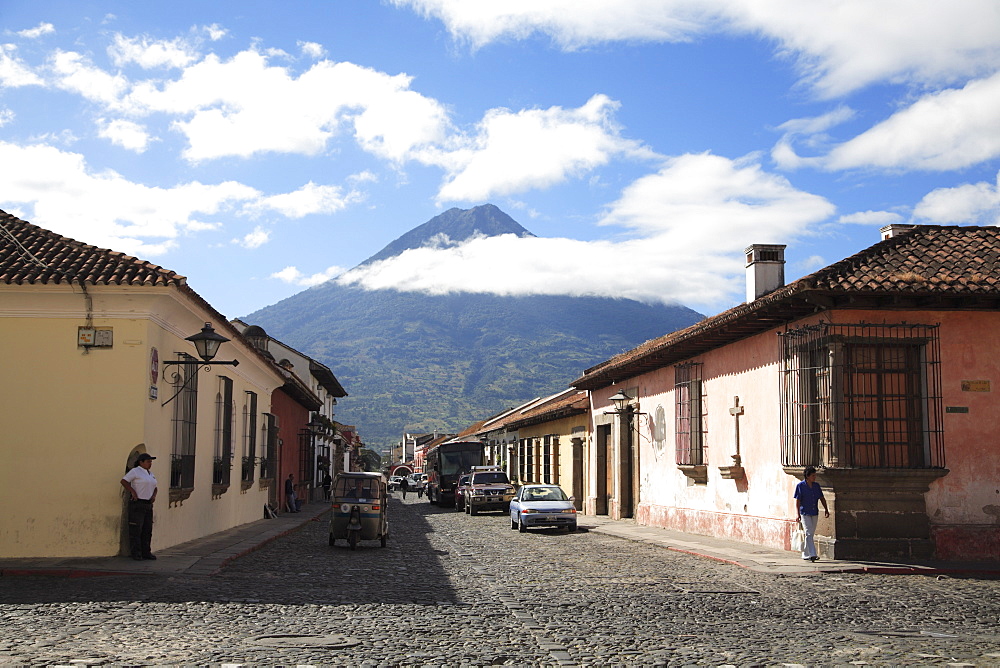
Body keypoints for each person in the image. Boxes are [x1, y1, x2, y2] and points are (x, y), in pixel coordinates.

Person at [121, 453, 158, 561]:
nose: (150, 464)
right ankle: (136, 553)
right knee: (136, 529)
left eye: (150, 462)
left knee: (147, 529)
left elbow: (155, 487)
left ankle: (146, 551)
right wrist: (132, 491)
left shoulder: (150, 474)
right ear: (141, 462)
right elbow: (124, 481)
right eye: (148, 461)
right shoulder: (135, 471)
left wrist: (154, 495)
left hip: (148, 503)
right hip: (138, 503)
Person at [794, 466, 830, 562]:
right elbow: (797, 501)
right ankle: (813, 554)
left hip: (814, 512)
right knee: (809, 532)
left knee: (810, 534)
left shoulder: (816, 486)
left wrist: (826, 509)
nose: (815, 477)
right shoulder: (800, 486)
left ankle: (805, 554)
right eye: (813, 475)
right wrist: (797, 514)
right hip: (805, 512)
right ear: (808, 476)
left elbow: (821, 498)